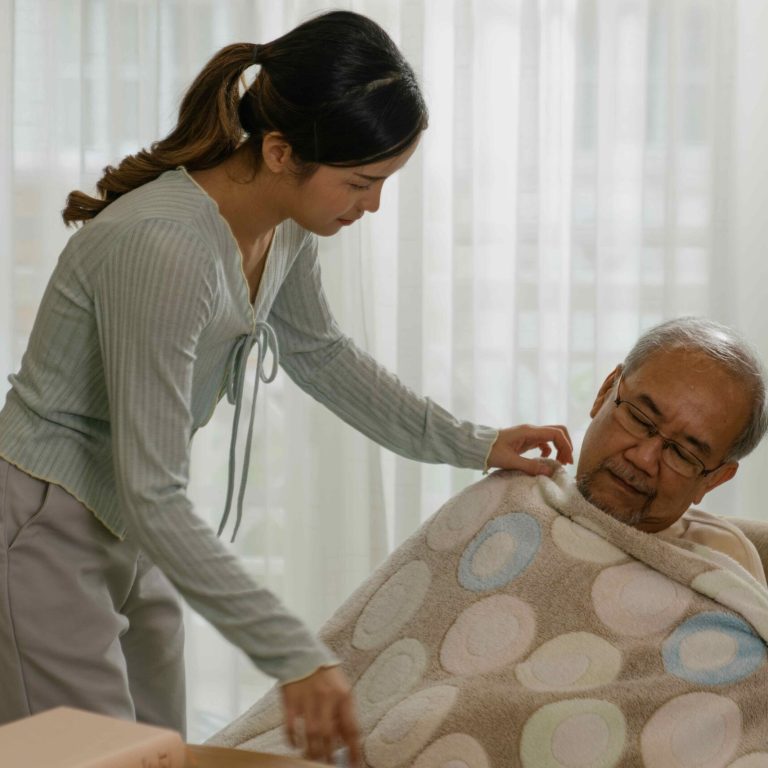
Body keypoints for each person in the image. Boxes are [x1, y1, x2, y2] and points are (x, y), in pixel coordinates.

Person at [0, 9, 573, 765]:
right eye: (360, 182)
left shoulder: (284, 226)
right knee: (94, 760)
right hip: (46, 519)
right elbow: (152, 488)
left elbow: (322, 354)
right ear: (278, 151)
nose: (369, 207)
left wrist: (474, 443)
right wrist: (294, 655)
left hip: (130, 525)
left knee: (161, 753)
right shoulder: (167, 247)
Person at [209, 317, 768, 765]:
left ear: (715, 478)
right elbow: (373, 664)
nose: (645, 457)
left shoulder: (727, 606)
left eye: (684, 452)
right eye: (641, 419)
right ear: (605, 392)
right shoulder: (507, 499)